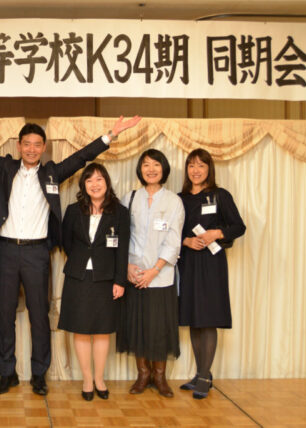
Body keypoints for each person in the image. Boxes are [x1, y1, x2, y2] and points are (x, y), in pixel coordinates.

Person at [0, 103, 141, 395]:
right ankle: (7, 374)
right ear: (19, 145)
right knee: (6, 316)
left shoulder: (52, 173)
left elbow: (82, 157)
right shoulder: (4, 167)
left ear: (43, 147)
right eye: (27, 144)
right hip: (6, 251)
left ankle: (39, 374)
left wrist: (111, 134)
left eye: (37, 144)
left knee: (39, 315)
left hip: (38, 253)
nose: (32, 149)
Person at [177, 148, 246, 399]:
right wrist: (186, 241)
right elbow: (171, 232)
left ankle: (205, 376)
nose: (195, 170)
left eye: (201, 165)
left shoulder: (220, 196)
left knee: (207, 317)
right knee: (194, 317)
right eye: (191, 165)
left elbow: (239, 226)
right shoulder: (179, 199)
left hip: (211, 263)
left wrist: (215, 233)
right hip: (187, 263)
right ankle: (200, 373)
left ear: (209, 169)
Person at [58, 163, 129, 401]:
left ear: (106, 182)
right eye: (89, 180)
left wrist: (120, 280)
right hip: (78, 276)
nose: (95, 184)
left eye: (99, 179)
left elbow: (122, 249)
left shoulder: (120, 212)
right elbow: (66, 242)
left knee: (102, 331)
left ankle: (99, 378)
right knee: (80, 329)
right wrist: (81, 259)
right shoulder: (73, 210)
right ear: (83, 185)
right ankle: (87, 379)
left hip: (106, 278)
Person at [117, 149, 184, 398]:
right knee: (137, 328)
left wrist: (154, 271)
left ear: (163, 169)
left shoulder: (173, 201)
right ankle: (143, 374)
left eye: (156, 164)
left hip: (161, 277)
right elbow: (121, 236)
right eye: (146, 165)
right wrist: (126, 266)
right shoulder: (130, 198)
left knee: (159, 329)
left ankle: (160, 376)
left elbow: (174, 241)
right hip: (134, 275)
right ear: (140, 169)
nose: (151, 169)